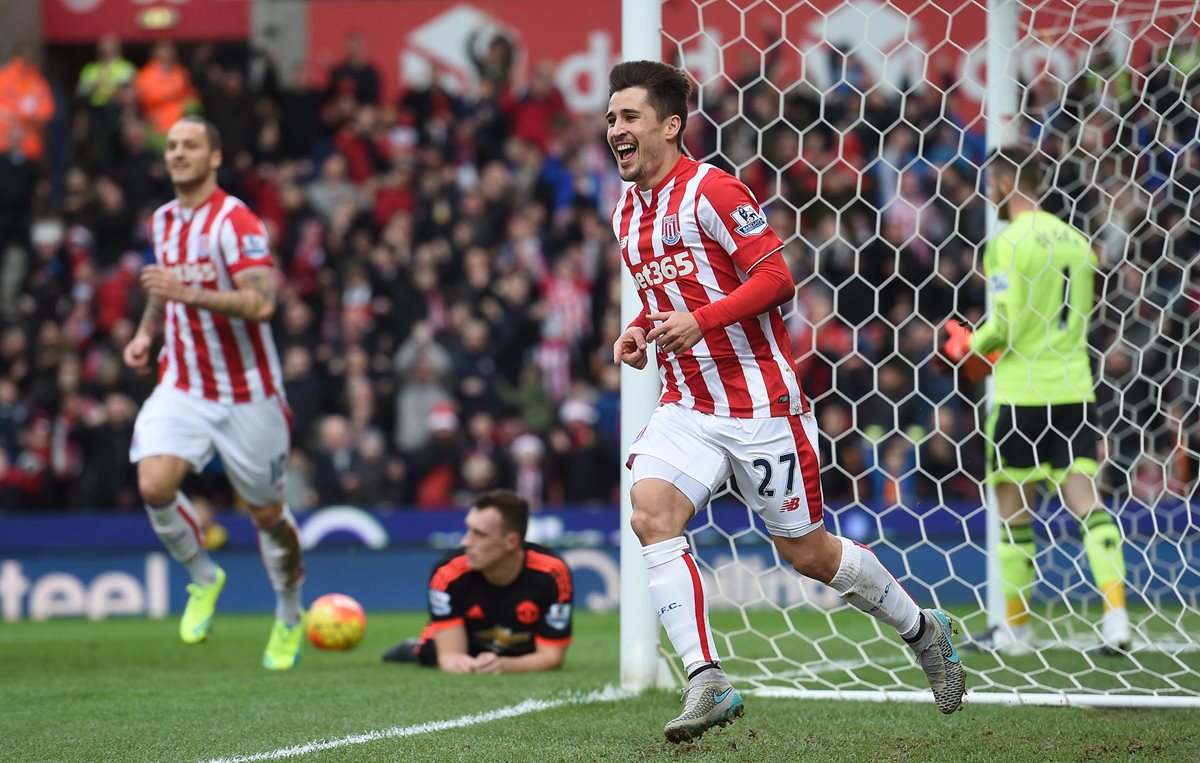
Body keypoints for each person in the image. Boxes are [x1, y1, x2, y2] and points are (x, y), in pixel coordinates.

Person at [607, 60, 964, 743]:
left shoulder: (713, 190)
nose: (615, 130)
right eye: (610, 119)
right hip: (688, 403)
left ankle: (923, 627)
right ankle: (705, 677)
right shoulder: (626, 211)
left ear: (670, 125)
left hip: (763, 406)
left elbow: (777, 277)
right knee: (651, 513)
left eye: (629, 117)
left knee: (809, 554)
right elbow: (662, 300)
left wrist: (704, 321)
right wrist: (636, 330)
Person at [123, 116, 305, 670]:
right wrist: (146, 332)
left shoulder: (236, 221)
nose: (177, 154)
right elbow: (164, 288)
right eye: (172, 145)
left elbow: (262, 303)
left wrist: (187, 291)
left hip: (249, 393)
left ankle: (289, 613)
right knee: (154, 482)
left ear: (215, 157)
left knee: (267, 512)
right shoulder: (162, 220)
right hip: (183, 382)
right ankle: (204, 576)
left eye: (190, 146)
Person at [941, 145, 1130, 655]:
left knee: (1013, 510)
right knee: (1085, 501)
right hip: (1073, 387)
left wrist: (963, 344)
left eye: (990, 182)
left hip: (1023, 392)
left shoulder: (1007, 242)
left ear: (1004, 181)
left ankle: (1016, 629)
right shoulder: (1077, 240)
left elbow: (1003, 327)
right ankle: (1116, 619)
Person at [381, 489, 573, 673]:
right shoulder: (447, 573)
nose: (466, 542)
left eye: (479, 534)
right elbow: (451, 656)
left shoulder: (553, 573)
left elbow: (551, 657)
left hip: (519, 649)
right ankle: (413, 647)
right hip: (466, 645)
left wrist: (504, 665)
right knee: (428, 654)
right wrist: (464, 664)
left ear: (512, 542)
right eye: (468, 530)